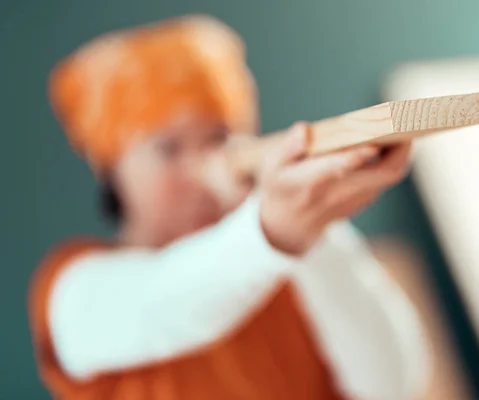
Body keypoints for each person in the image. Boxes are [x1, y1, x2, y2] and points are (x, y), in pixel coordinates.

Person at [28, 15, 429, 400]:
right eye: (168, 148)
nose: (204, 169)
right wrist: (274, 228)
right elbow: (167, 304)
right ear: (113, 168)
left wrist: (316, 233)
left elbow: (392, 384)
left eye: (220, 139)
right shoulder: (74, 287)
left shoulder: (287, 271)